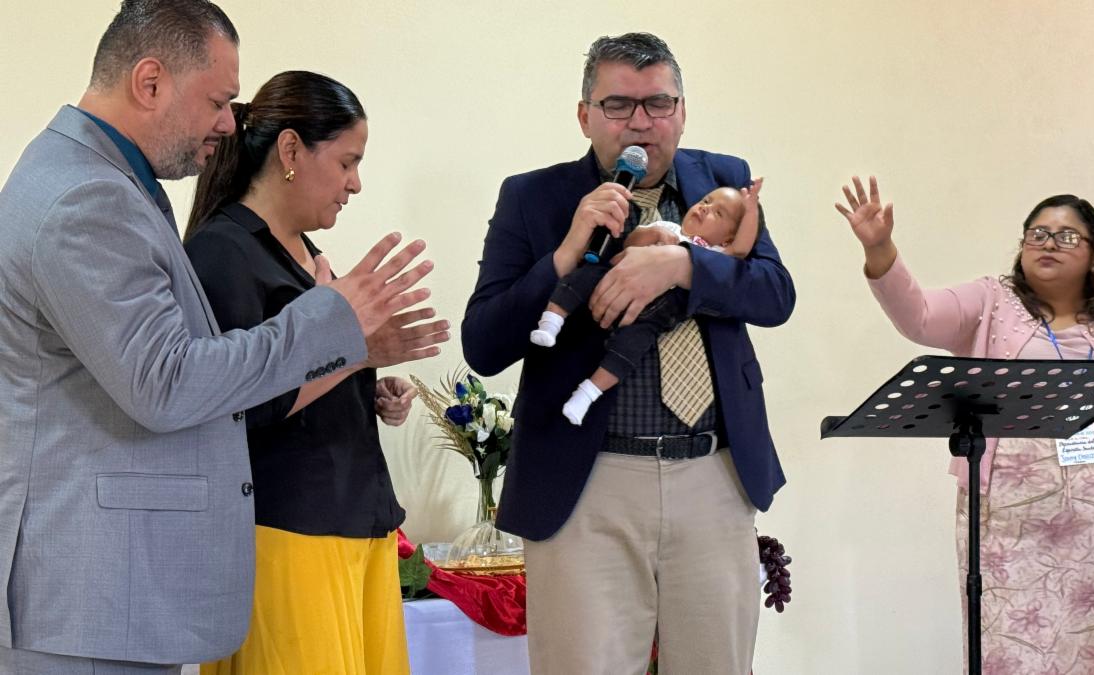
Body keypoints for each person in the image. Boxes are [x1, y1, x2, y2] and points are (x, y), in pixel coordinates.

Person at [0, 2, 440, 672]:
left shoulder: (100, 181)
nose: (231, 124)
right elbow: (166, 383)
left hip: (102, 591)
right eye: (217, 101)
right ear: (150, 82)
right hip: (87, 597)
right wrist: (333, 320)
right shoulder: (87, 198)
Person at [463, 32, 794, 674]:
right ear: (584, 115)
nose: (640, 121)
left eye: (658, 103)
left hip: (714, 475)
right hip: (587, 484)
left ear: (682, 111)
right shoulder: (533, 197)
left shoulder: (725, 182)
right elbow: (484, 343)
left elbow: (774, 294)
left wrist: (682, 267)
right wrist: (567, 252)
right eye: (618, 105)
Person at [835, 176, 1094, 673]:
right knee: (1006, 647)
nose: (1048, 244)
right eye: (1037, 233)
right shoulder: (991, 301)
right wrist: (880, 249)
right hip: (1004, 521)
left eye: (1066, 236)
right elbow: (918, 316)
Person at [183, 70, 447, 675]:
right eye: (348, 162)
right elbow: (239, 405)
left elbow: (309, 375)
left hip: (358, 522)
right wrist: (356, 353)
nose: (355, 183)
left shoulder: (306, 255)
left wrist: (368, 381)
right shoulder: (222, 253)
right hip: (289, 533)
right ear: (291, 151)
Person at [530, 180, 763, 425]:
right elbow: (630, 242)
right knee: (584, 276)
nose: (705, 207)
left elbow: (741, 249)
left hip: (655, 313)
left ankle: (587, 394)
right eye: (706, 201)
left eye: (719, 213)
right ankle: (551, 322)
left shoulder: (715, 255)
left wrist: (751, 211)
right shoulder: (669, 228)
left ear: (726, 240)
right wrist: (653, 234)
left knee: (630, 348)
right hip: (614, 283)